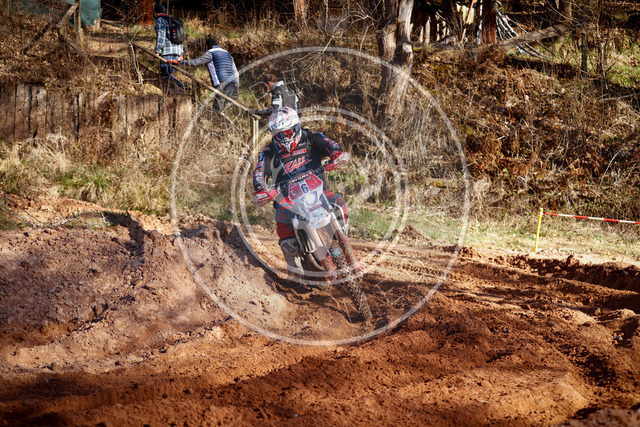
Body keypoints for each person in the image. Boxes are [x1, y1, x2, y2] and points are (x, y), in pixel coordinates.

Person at [252, 107, 351, 275]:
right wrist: (261, 188)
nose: (285, 138)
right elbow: (259, 172)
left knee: (338, 201)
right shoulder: (270, 152)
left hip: (317, 193)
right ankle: (294, 266)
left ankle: (343, 234)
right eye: (280, 135)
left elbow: (330, 144)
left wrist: (336, 155)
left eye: (288, 132)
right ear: (274, 135)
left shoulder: (311, 138)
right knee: (282, 218)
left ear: (297, 127)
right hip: (288, 199)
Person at [180, 37, 239, 111]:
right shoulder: (228, 54)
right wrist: (236, 88)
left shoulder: (211, 53)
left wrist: (181, 62)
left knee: (217, 111)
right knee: (223, 110)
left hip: (221, 85)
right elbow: (236, 73)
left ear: (208, 47)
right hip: (231, 84)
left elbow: (195, 62)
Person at [153, 3, 185, 90]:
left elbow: (161, 37)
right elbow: (181, 37)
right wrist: (181, 53)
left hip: (167, 52)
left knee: (165, 75)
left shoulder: (160, 20)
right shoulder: (173, 20)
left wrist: (157, 51)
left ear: (156, 13)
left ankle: (182, 88)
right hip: (177, 52)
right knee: (168, 75)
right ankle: (174, 92)